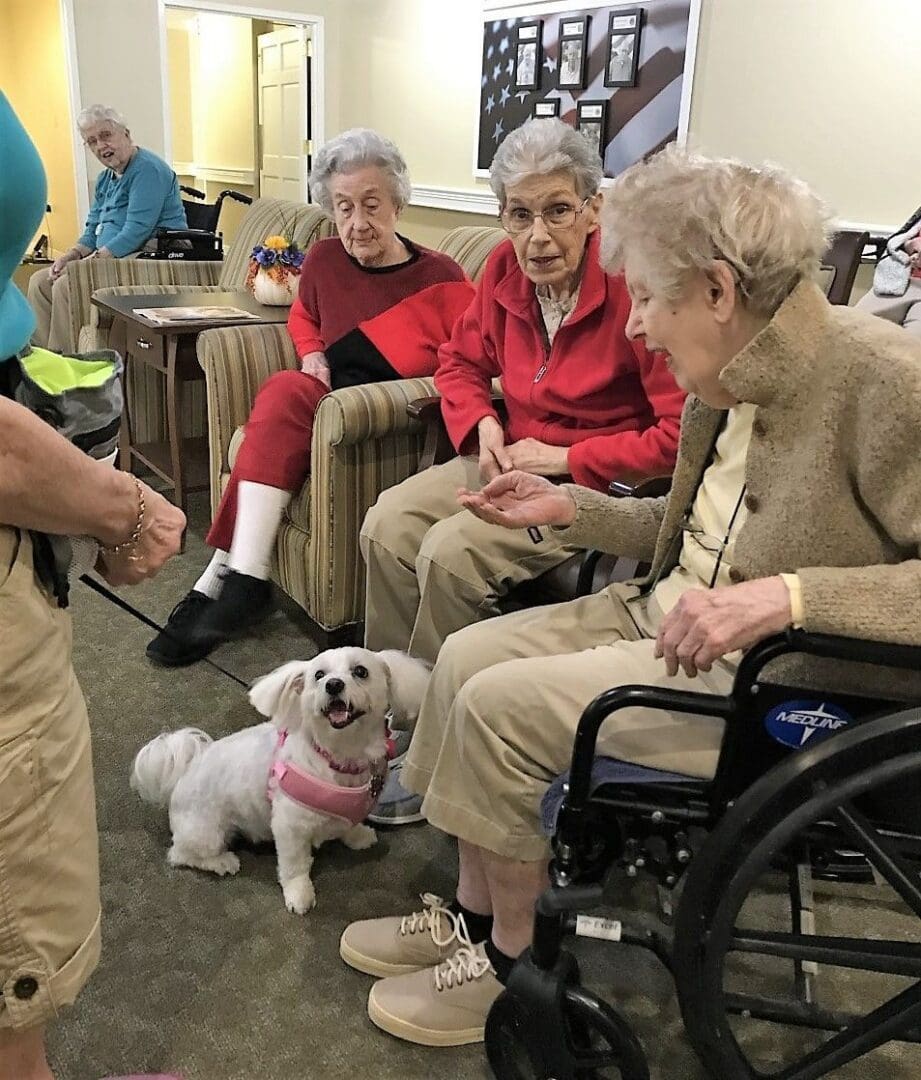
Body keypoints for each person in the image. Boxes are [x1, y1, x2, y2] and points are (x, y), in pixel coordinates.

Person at [338, 147, 921, 1050]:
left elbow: (784, 576)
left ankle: (514, 971)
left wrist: (788, 598)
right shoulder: (727, 376)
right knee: (460, 658)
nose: (638, 325)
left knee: (496, 709)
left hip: (776, 688)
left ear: (718, 290)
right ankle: (469, 914)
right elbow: (686, 536)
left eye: (648, 297)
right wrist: (571, 508)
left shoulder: (881, 379)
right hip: (668, 614)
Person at [0, 92, 185, 1080]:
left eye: (105, 139)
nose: (102, 150)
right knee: (13, 926)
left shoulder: (139, 176)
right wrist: (122, 507)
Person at [146, 128, 475, 669]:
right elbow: (304, 314)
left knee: (276, 407)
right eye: (343, 207)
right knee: (284, 391)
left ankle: (221, 579)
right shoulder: (322, 259)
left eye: (372, 205)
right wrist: (311, 351)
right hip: (319, 397)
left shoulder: (442, 277)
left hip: (373, 417)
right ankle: (236, 579)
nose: (358, 222)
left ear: (397, 203)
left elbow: (466, 363)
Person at [362, 118, 684, 669]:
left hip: (595, 483)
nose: (537, 235)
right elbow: (460, 361)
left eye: (558, 210)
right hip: (508, 456)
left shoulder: (637, 287)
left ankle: (435, 721)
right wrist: (481, 423)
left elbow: (679, 436)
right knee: (385, 524)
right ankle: (387, 699)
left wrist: (567, 457)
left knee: (449, 556)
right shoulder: (503, 269)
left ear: (593, 210)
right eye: (519, 214)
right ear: (503, 217)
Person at [27, 104, 187, 353]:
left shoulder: (148, 169)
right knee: (41, 281)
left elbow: (137, 230)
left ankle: (68, 365)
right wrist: (72, 255)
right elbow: (93, 228)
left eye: (105, 135)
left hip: (150, 253)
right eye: (91, 141)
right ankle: (43, 359)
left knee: (66, 285)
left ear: (126, 133)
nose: (101, 146)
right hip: (113, 255)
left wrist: (92, 261)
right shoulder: (106, 178)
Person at [856, 204, 921, 338]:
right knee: (848, 332)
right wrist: (909, 245)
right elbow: (899, 239)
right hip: (896, 281)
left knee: (910, 350)